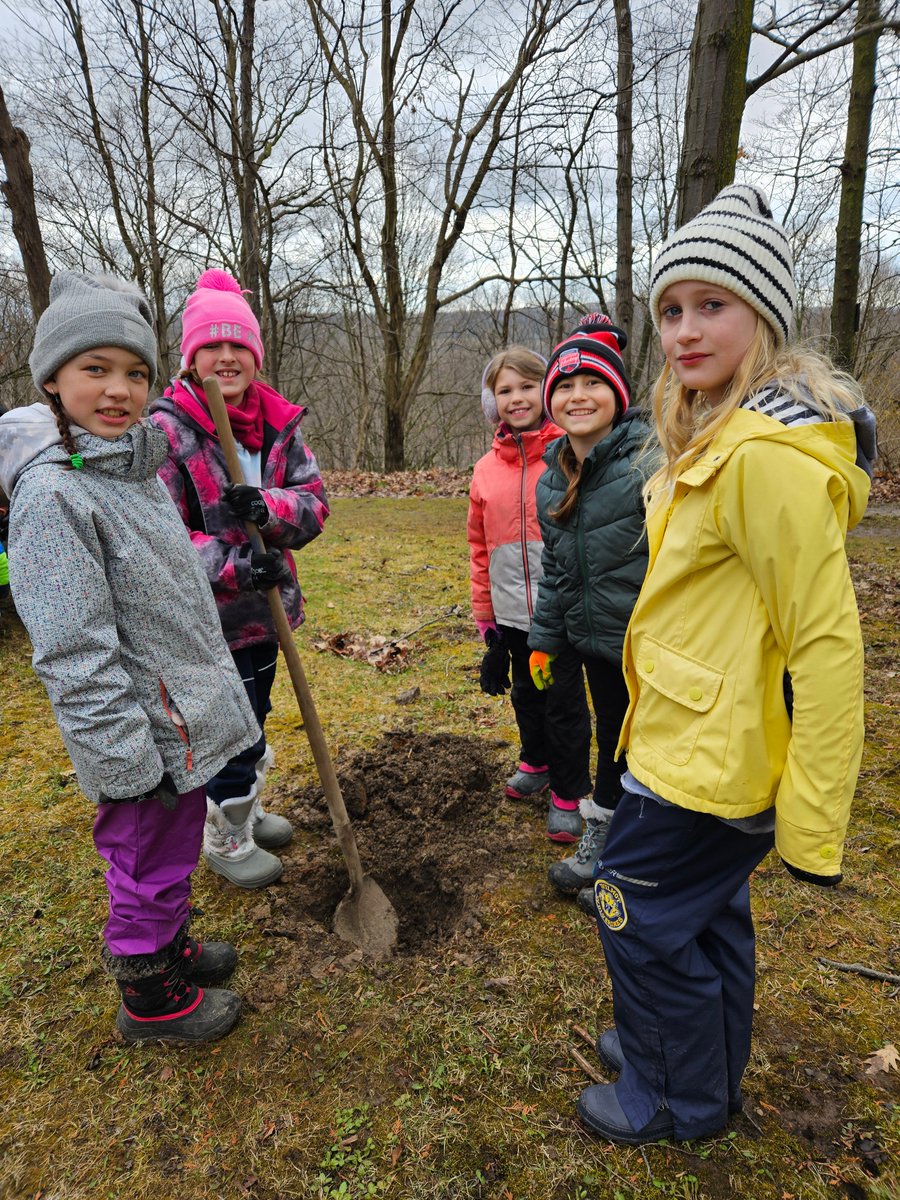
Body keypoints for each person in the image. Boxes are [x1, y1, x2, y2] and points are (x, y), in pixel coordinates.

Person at [578, 185, 876, 1146]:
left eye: (714, 306)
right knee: (705, 921)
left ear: (767, 318)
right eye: (671, 309)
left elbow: (828, 643)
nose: (685, 331)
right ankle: (683, 1048)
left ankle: (676, 1098)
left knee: (633, 912)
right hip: (682, 735)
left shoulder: (762, 458)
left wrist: (816, 828)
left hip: (714, 761)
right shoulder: (711, 429)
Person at [0, 272, 261, 1043]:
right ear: (52, 378)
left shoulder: (131, 469)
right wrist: (120, 756)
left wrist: (233, 565)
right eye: (96, 370)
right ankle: (151, 997)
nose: (118, 391)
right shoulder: (56, 497)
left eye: (136, 373)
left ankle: (169, 943)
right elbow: (73, 648)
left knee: (173, 845)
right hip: (137, 733)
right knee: (143, 856)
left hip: (174, 717)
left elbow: (168, 572)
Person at [150, 269, 329, 889]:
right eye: (211, 346)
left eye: (238, 347)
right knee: (227, 727)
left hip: (267, 610)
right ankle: (226, 836)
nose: (226, 358)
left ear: (255, 354)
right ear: (189, 355)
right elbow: (161, 540)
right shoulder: (166, 430)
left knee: (255, 714)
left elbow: (313, 504)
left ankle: (245, 808)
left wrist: (270, 510)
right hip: (207, 622)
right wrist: (236, 565)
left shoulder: (279, 421)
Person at [526, 315, 649, 892]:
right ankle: (608, 845)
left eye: (594, 383)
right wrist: (545, 639)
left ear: (618, 394)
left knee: (644, 751)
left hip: (650, 646)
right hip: (594, 643)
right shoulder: (552, 480)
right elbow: (557, 570)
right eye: (565, 387)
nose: (579, 396)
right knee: (612, 742)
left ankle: (629, 859)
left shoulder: (647, 461)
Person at [468, 346, 594, 841]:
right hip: (512, 612)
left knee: (562, 698)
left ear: (545, 391)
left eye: (526, 386)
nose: (516, 398)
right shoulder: (485, 470)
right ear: (491, 401)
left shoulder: (571, 453)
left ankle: (569, 789)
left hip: (560, 610)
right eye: (505, 390)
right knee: (526, 693)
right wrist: (486, 611)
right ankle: (536, 762)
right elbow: (479, 546)